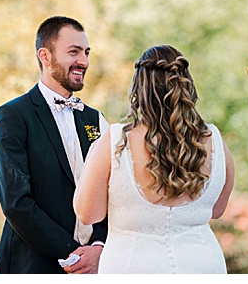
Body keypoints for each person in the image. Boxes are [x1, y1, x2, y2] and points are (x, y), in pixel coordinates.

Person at [73, 45, 234, 273]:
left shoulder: (116, 140)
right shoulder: (214, 139)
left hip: (133, 267)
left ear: (139, 89)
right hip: (203, 265)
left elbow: (88, 213)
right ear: (186, 86)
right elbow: (216, 210)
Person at [0, 16, 110, 273]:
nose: (84, 61)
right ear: (45, 56)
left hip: (95, 267)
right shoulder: (12, 117)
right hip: (32, 266)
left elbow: (112, 191)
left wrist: (99, 247)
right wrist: (73, 255)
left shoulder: (96, 120)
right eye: (74, 52)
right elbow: (16, 203)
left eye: (87, 52)